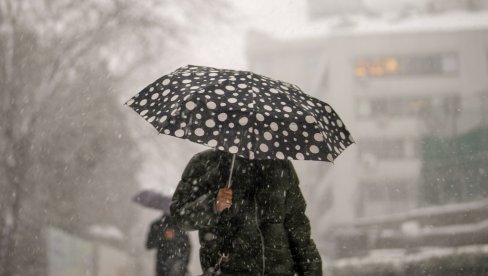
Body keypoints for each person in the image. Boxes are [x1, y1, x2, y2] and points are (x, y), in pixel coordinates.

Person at [170, 149, 322, 275]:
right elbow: (181, 217)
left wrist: (311, 271)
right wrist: (213, 204)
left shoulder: (281, 166)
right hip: (226, 270)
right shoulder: (206, 163)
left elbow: (298, 228)